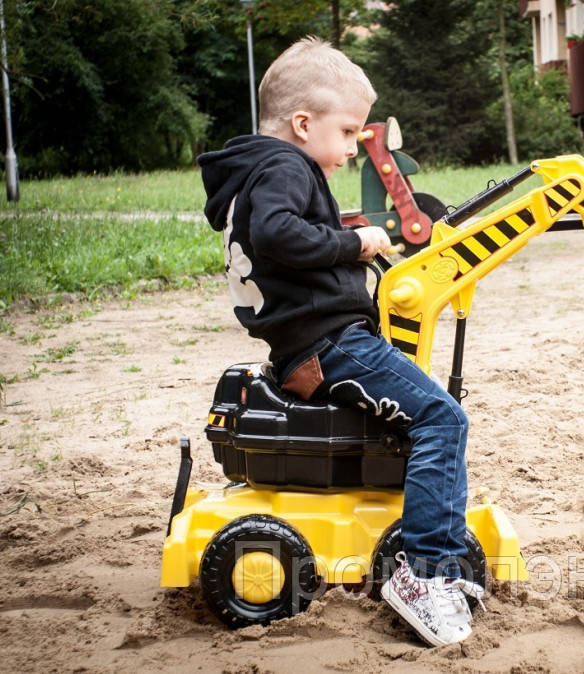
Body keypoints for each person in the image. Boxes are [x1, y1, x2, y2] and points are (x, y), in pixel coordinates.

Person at [197, 37, 483, 647]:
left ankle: (428, 554)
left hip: (313, 342)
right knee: (442, 419)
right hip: (330, 344)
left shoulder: (260, 173)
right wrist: (357, 244)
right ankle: (425, 574)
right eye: (350, 133)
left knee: (427, 412)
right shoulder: (283, 166)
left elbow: (284, 232)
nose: (355, 148)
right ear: (303, 124)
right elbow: (278, 233)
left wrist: (351, 233)